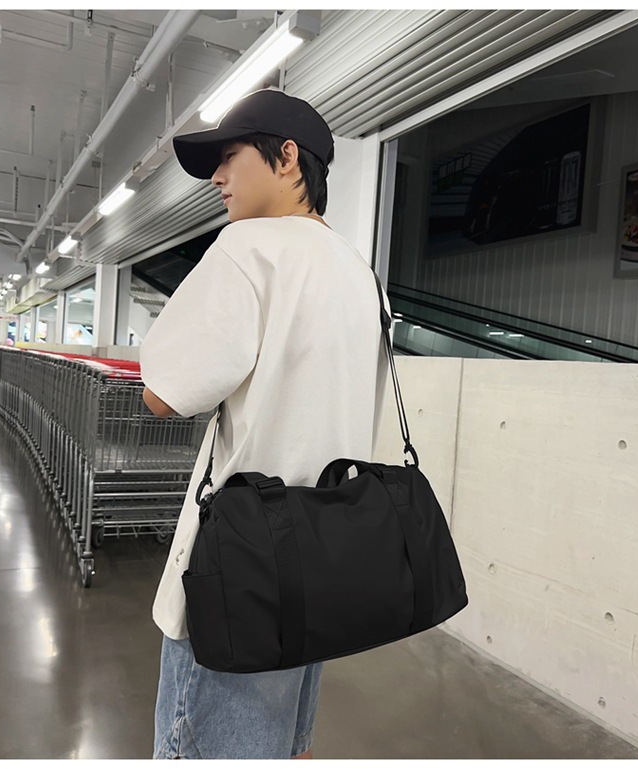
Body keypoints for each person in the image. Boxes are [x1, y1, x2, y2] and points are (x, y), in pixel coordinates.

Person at [139, 88, 388, 760]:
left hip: (238, 567)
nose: (217, 177)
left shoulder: (248, 248)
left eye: (229, 157)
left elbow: (163, 395)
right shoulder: (362, 275)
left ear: (286, 158)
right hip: (323, 561)